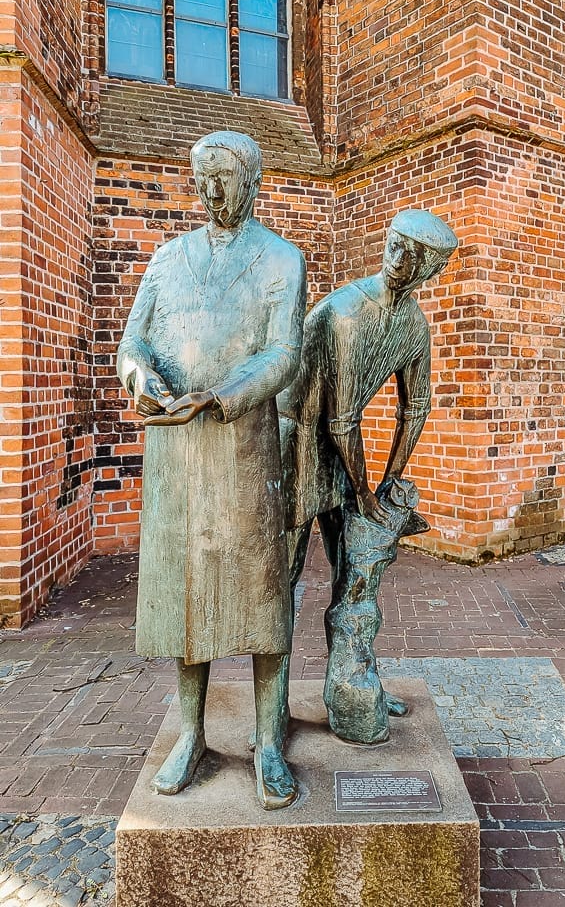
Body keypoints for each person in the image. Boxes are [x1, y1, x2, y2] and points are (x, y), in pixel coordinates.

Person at [117, 131, 305, 809]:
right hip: (175, 448)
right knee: (184, 591)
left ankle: (266, 741)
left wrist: (224, 395)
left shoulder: (281, 259)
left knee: (260, 593)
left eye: (223, 177)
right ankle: (190, 733)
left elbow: (285, 352)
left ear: (253, 181)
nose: (211, 191)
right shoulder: (168, 260)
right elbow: (134, 338)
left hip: (244, 445)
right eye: (202, 177)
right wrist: (139, 376)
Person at [278, 209, 458, 715]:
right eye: (394, 244)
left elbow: (417, 404)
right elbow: (340, 420)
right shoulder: (350, 311)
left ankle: (354, 684)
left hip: (340, 448)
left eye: (412, 253)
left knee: (355, 570)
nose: (397, 258)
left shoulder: (412, 325)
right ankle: (273, 710)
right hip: (300, 443)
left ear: (431, 269)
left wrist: (393, 477)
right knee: (285, 579)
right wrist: (364, 493)